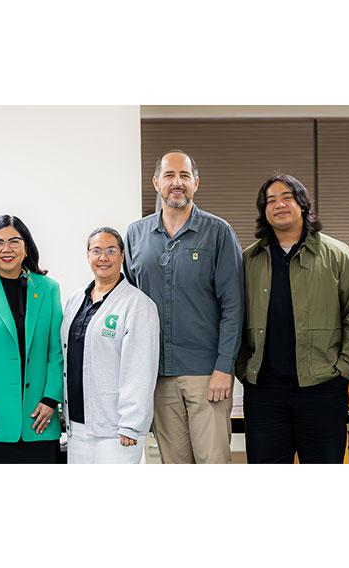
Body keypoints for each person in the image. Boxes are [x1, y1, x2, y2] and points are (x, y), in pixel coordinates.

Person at [236, 174, 349, 464]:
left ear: (303, 205)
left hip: (322, 389)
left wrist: (345, 370)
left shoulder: (336, 254)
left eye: (287, 197)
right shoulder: (249, 259)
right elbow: (233, 315)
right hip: (264, 393)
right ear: (263, 211)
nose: (279, 205)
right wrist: (243, 368)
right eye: (270, 201)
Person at [123, 150, 244, 464]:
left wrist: (224, 369)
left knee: (212, 461)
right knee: (173, 464)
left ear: (196, 183)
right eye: (169, 176)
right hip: (157, 374)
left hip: (206, 374)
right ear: (156, 182)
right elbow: (130, 304)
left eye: (184, 176)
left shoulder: (218, 232)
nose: (177, 183)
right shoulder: (136, 234)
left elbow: (233, 306)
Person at [0, 215, 64, 463]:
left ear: (26, 247)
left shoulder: (48, 288)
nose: (7, 249)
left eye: (15, 241)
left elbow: (56, 350)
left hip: (39, 417)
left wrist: (51, 399)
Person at [61, 227, 160, 464]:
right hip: (77, 426)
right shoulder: (75, 301)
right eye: (96, 250)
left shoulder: (137, 304)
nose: (103, 257)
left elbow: (141, 368)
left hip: (116, 429)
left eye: (110, 250)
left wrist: (131, 423)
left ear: (122, 255)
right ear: (87, 255)